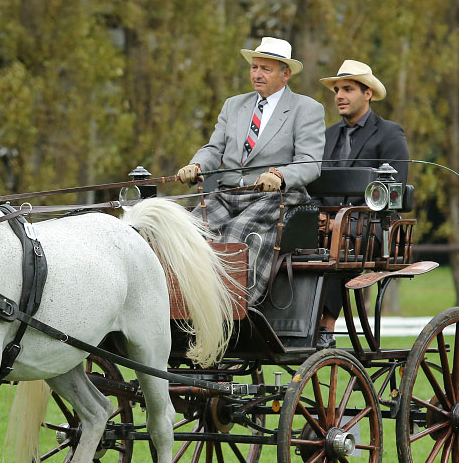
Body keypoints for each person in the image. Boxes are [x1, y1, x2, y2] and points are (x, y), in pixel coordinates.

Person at [176, 36, 325, 304]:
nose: (257, 74)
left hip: (277, 197)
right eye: (254, 67)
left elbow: (310, 162)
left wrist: (280, 176)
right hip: (229, 192)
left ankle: (231, 305)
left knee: (236, 233)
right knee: (190, 231)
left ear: (285, 74)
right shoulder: (234, 105)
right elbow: (213, 149)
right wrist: (196, 165)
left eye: (265, 69)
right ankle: (185, 302)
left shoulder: (307, 109)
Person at [318, 60, 410, 344]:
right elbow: (313, 182)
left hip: (372, 227)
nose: (339, 96)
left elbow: (391, 191)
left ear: (367, 93)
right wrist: (317, 214)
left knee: (337, 242)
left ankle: (325, 326)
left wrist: (339, 220)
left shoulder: (389, 133)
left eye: (347, 89)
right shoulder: (327, 135)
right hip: (328, 224)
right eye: (336, 90)